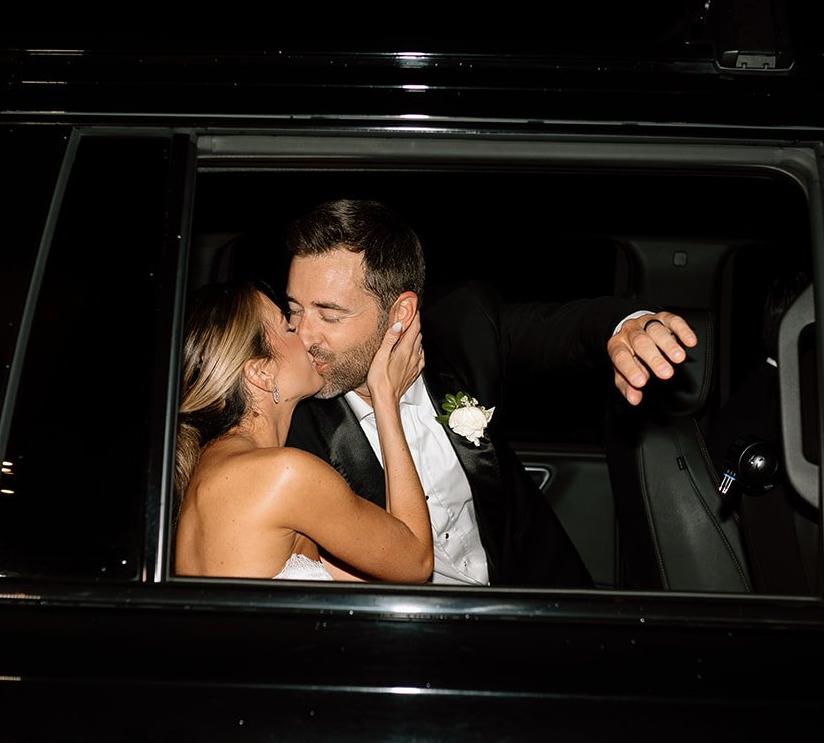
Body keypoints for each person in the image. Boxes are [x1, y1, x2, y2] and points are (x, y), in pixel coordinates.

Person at [284, 200, 698, 587]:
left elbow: (563, 328)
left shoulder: (464, 329)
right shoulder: (287, 416)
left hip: (532, 598)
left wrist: (625, 324)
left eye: (329, 314)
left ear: (401, 314)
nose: (303, 336)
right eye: (295, 310)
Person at [172, 280, 434, 582]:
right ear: (261, 372)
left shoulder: (210, 471)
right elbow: (416, 562)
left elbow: (379, 577)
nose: (305, 337)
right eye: (288, 328)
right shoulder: (284, 475)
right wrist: (385, 397)